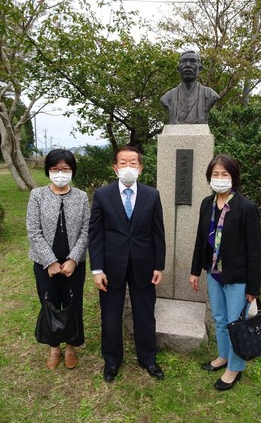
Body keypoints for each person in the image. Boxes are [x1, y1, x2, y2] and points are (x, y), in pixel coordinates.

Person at [89, 146, 166, 382]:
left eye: (133, 163)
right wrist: (97, 269)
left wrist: (158, 266)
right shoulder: (102, 195)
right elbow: (96, 234)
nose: (128, 167)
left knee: (145, 314)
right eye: (123, 163)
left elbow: (157, 233)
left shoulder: (152, 195)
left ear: (140, 168)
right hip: (112, 266)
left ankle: (148, 359)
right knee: (111, 316)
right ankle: (112, 361)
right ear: (115, 168)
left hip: (144, 264)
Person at [189, 154, 261, 391]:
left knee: (235, 322)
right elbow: (201, 240)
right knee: (219, 318)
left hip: (238, 277)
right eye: (215, 175)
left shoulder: (247, 208)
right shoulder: (206, 204)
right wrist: (194, 271)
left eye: (225, 174)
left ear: (234, 177)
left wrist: (253, 288)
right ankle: (223, 356)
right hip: (213, 272)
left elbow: (255, 251)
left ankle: (235, 367)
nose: (219, 179)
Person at [26, 149, 90, 371]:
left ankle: (71, 347)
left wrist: (73, 259)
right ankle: (54, 347)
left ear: (72, 171)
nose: (60, 173)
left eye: (65, 169)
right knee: (50, 302)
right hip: (45, 264)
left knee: (73, 303)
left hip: (74, 264)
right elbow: (33, 231)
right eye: (55, 169)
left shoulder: (81, 197)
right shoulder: (37, 195)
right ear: (48, 171)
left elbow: (85, 231)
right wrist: (50, 261)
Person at [160, 50, 219, 124]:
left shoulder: (210, 94)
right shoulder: (168, 97)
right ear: (178, 69)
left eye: (192, 61)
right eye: (184, 61)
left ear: (200, 68)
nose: (188, 65)